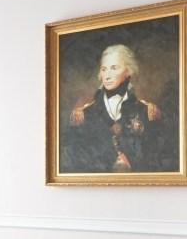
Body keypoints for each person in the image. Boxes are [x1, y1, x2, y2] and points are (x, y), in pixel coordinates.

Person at [65, 44, 171, 172]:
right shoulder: (84, 115)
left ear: (128, 71)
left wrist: (132, 162)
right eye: (104, 69)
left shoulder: (146, 112)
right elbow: (74, 161)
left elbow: (159, 158)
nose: (107, 75)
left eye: (114, 68)